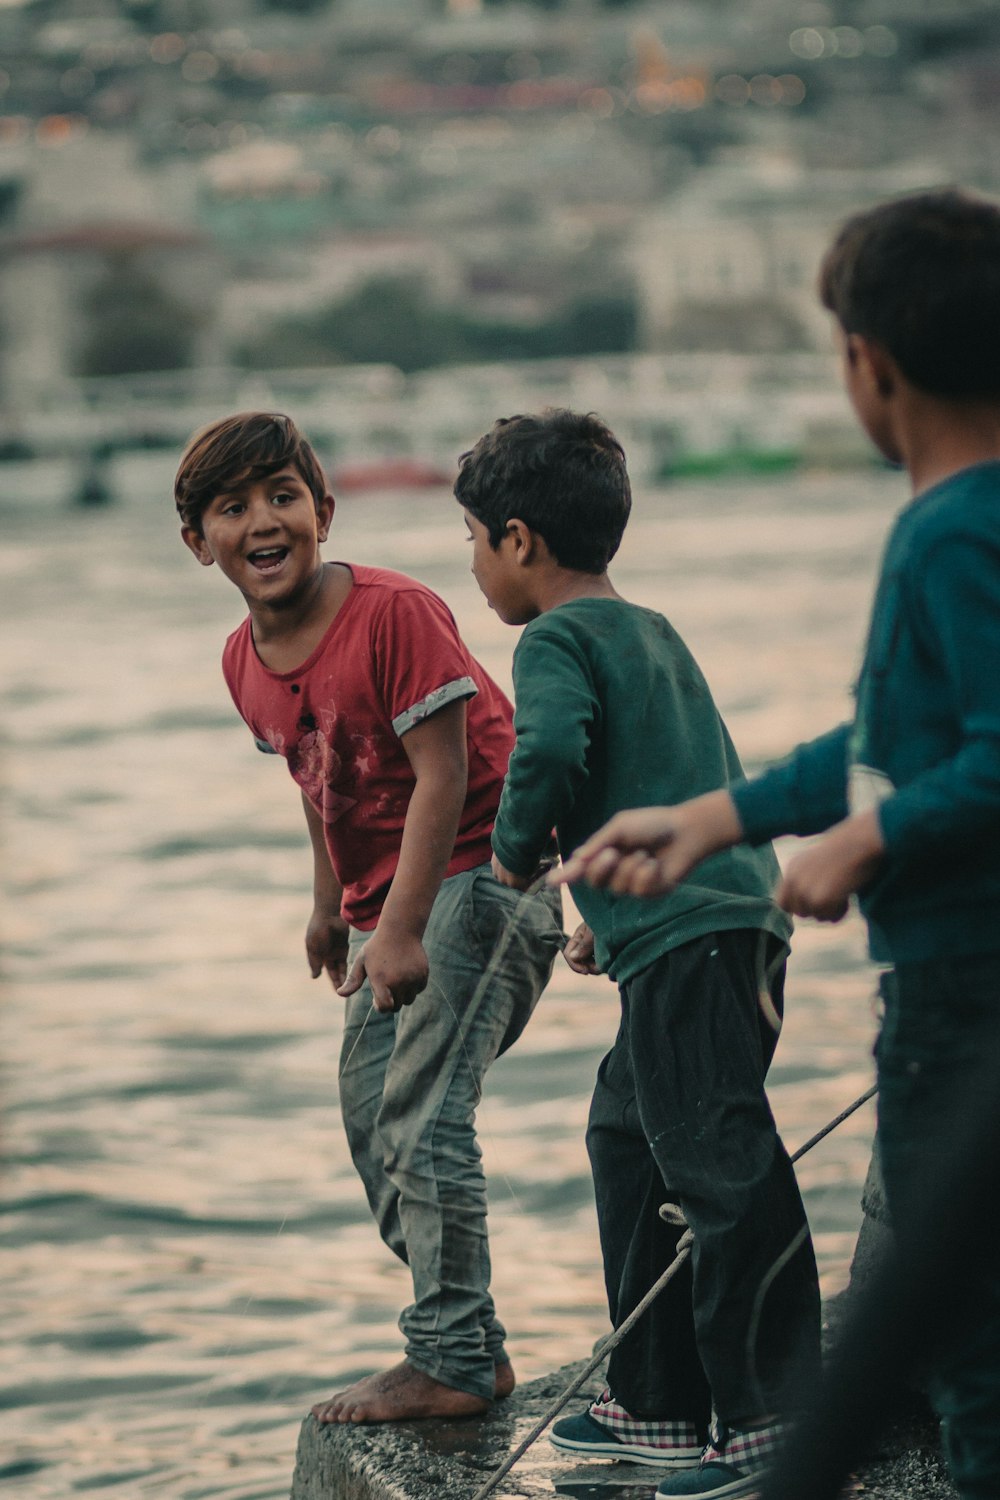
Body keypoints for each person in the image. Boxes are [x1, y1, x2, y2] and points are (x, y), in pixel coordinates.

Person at [557, 187, 1000, 1500]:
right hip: (953, 978)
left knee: (963, 1319)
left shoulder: (955, 532)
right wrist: (716, 817)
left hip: (961, 983)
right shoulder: (959, 524)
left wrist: (866, 842)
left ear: (868, 362)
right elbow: (885, 732)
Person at [454, 409, 821, 1498]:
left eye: (472, 540)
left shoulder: (553, 640)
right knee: (629, 1137)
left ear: (518, 540)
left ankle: (771, 1419)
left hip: (694, 940)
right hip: (712, 927)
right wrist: (597, 910)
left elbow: (554, 751)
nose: (472, 565)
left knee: (718, 1168)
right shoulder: (650, 628)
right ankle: (656, 1403)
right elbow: (670, 770)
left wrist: (514, 858)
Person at [174, 411, 563, 1424]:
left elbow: (447, 773)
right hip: (381, 909)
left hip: (482, 878)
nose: (264, 521)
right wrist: (325, 909)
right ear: (198, 541)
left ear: (324, 510)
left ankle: (453, 1354)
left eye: (283, 496)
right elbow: (317, 778)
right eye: (233, 506)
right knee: (371, 1121)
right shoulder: (240, 660)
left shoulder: (394, 613)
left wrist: (399, 927)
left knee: (422, 1119)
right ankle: (466, 1333)